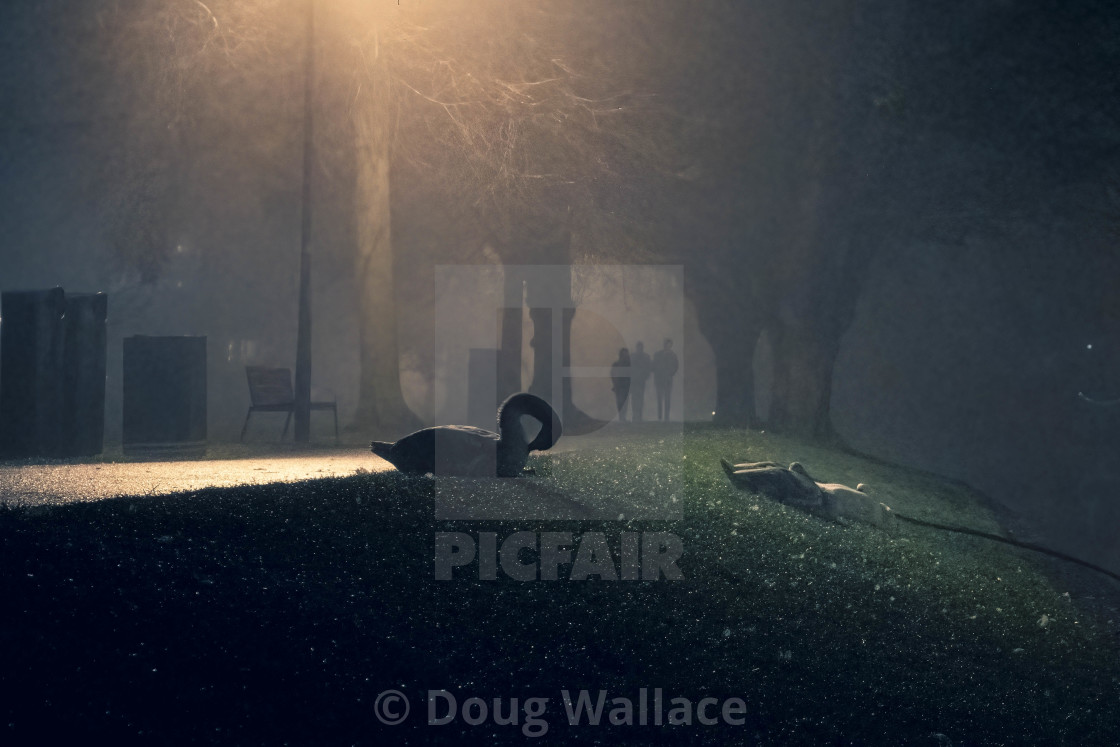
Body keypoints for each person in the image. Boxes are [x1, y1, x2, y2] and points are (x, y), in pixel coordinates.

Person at [652, 338, 678, 421]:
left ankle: (666, 417)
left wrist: (670, 373)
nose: (668, 346)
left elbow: (676, 366)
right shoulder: (658, 354)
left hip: (667, 380)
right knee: (660, 399)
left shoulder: (673, 355)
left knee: (667, 399)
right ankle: (660, 416)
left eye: (669, 345)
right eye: (667, 344)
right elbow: (653, 366)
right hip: (659, 380)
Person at [629, 341, 652, 423]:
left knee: (639, 399)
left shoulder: (646, 357)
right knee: (635, 399)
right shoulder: (633, 356)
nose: (639, 349)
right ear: (637, 348)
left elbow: (648, 369)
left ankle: (638, 416)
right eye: (638, 347)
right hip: (634, 381)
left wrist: (645, 377)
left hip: (640, 381)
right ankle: (635, 416)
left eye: (640, 347)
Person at [610, 347, 631, 422]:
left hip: (626, 386)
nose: (625, 355)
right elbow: (612, 374)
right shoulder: (616, 364)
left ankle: (622, 417)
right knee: (620, 402)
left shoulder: (629, 364)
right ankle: (621, 417)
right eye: (624, 354)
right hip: (619, 386)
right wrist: (615, 384)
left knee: (624, 402)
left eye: (626, 354)